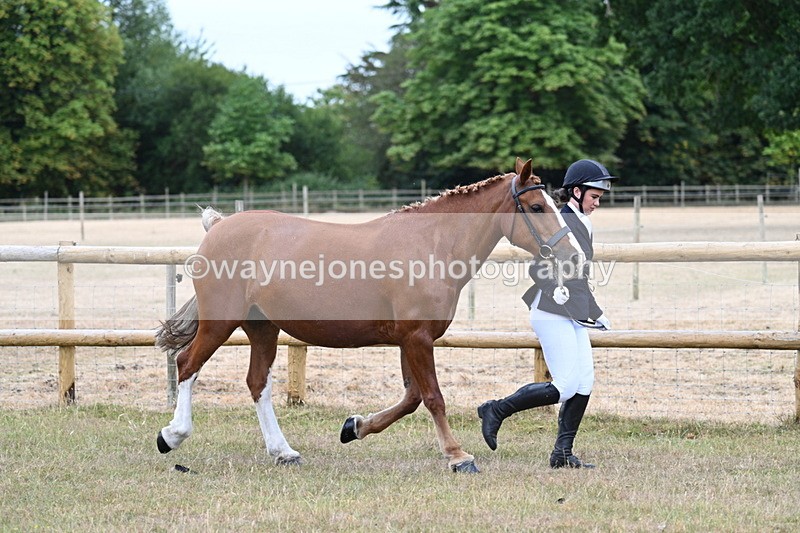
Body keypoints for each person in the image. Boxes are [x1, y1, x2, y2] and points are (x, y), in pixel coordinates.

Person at [477, 159, 617, 468]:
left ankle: (562, 454)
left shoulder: (582, 221)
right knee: (565, 384)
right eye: (594, 197)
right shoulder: (560, 220)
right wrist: (557, 287)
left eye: (599, 199)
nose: (597, 204)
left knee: (584, 382)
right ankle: (496, 409)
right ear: (577, 192)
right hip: (551, 311)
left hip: (573, 311)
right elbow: (539, 264)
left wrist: (595, 310)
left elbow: (578, 272)